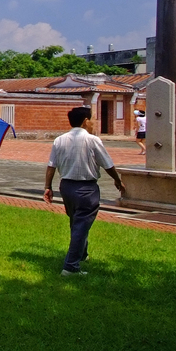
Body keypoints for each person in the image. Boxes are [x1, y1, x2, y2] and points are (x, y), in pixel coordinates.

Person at [43, 106, 126, 276]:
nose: (94, 123)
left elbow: (51, 166)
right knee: (81, 225)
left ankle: (82, 254)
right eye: (93, 119)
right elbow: (107, 164)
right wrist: (117, 180)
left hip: (66, 187)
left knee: (76, 221)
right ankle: (71, 267)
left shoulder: (59, 140)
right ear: (86, 121)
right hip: (86, 188)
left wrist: (48, 186)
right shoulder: (92, 140)